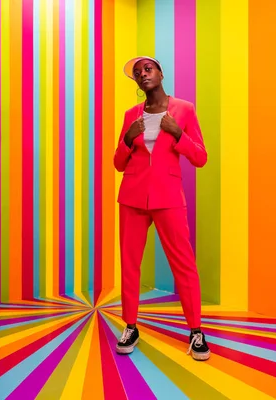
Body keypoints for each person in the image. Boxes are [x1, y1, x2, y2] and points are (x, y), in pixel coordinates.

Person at [113, 56, 210, 361]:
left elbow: (200, 157)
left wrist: (178, 134)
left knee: (184, 264)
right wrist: (128, 139)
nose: (143, 74)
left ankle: (196, 331)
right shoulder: (131, 114)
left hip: (168, 197)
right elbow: (118, 164)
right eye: (138, 72)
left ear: (160, 73)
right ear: (136, 82)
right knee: (129, 265)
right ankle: (130, 326)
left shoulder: (184, 109)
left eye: (148, 69)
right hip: (132, 197)